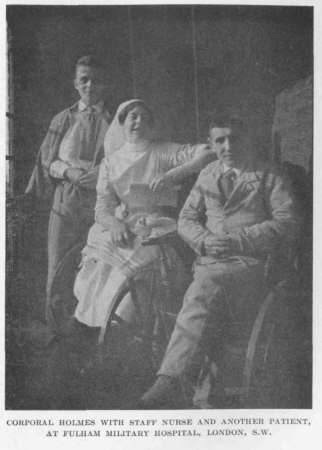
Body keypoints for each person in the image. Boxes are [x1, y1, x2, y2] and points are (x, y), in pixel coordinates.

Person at [141, 113, 301, 409]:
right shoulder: (208, 174)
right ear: (211, 144)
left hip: (251, 264)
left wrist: (239, 239)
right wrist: (203, 240)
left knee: (205, 286)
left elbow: (288, 221)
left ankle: (168, 380)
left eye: (234, 138)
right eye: (220, 140)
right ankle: (203, 390)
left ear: (248, 139)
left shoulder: (269, 174)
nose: (228, 146)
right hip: (211, 260)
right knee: (203, 285)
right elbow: (186, 218)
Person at [68, 98, 215, 340]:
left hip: (158, 225)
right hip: (123, 223)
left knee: (134, 261)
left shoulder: (163, 150)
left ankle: (121, 328)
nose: (139, 122)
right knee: (104, 254)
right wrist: (114, 224)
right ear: (122, 122)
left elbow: (208, 153)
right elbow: (103, 207)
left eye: (145, 118)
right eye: (133, 117)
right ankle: (89, 322)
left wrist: (172, 175)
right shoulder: (111, 162)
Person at [25, 55, 111, 334]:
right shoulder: (63, 119)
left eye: (95, 80)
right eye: (84, 79)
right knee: (60, 263)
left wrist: (101, 172)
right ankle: (55, 331)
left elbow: (123, 159)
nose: (89, 85)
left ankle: (86, 331)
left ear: (104, 84)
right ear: (75, 83)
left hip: (101, 200)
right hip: (67, 198)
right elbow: (47, 160)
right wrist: (70, 172)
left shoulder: (116, 121)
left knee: (94, 264)